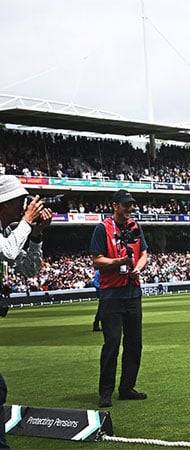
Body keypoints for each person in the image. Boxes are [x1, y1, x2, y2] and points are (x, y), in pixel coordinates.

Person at [0, 175, 52, 449]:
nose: (23, 208)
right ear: (2, 204)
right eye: (19, 203)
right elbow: (8, 253)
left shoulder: (8, 231)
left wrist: (37, 236)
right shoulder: (8, 235)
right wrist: (28, 221)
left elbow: (28, 269)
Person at [90, 190, 148, 408]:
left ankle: (126, 388)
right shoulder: (102, 229)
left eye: (131, 205)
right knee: (112, 343)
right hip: (112, 294)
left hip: (133, 292)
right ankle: (106, 391)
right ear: (114, 205)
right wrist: (119, 261)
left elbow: (143, 253)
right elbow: (97, 260)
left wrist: (138, 268)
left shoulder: (135, 226)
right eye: (125, 205)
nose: (129, 209)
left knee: (134, 344)